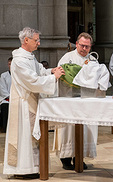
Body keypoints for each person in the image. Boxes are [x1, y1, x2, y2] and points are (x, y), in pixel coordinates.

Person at [3, 27, 64, 178]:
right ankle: (23, 170)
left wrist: (51, 71)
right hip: (23, 105)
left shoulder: (30, 57)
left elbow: (40, 71)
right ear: (26, 40)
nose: (39, 43)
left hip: (31, 101)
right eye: (36, 40)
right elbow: (33, 81)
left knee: (33, 137)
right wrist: (54, 78)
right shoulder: (19, 61)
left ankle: (33, 168)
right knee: (24, 137)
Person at [55, 32, 98, 170]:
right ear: (77, 44)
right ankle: (66, 158)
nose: (84, 49)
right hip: (69, 100)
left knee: (85, 128)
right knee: (68, 128)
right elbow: (61, 76)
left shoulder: (93, 60)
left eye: (87, 46)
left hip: (86, 101)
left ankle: (79, 157)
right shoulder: (67, 58)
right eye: (82, 45)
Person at [0, 57, 12, 133]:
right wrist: (10, 97)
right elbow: (2, 88)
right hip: (6, 99)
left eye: (12, 64)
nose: (11, 66)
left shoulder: (19, 76)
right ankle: (5, 128)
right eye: (9, 64)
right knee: (5, 106)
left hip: (18, 99)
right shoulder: (4, 75)